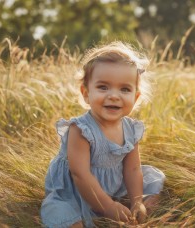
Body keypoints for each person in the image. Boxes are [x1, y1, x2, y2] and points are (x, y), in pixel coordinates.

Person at [40, 41, 165, 227]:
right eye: (103, 87)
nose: (114, 96)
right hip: (75, 192)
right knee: (62, 214)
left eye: (125, 89)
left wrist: (137, 200)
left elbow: (132, 169)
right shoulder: (81, 130)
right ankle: (80, 216)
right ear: (86, 93)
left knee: (153, 180)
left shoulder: (131, 129)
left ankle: (139, 210)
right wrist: (107, 207)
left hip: (113, 185)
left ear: (135, 97)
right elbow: (80, 175)